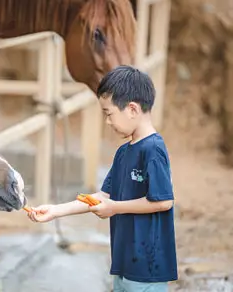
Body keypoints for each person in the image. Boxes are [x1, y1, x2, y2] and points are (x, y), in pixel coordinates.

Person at [27, 65, 178, 292]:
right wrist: (55, 211)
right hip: (124, 262)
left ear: (132, 109)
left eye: (109, 114)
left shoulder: (153, 150)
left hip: (148, 267)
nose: (107, 122)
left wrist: (114, 207)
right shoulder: (124, 152)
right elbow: (102, 197)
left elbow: (163, 201)